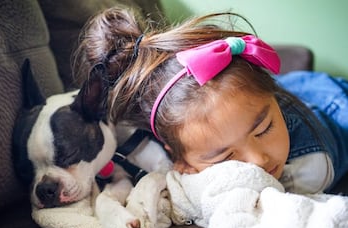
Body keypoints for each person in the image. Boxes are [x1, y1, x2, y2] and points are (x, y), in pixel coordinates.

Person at [74, 7, 348, 194]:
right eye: (225, 156)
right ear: (181, 161)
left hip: (331, 101)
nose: (259, 160)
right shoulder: (172, 135)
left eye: (264, 129)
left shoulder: (311, 168)